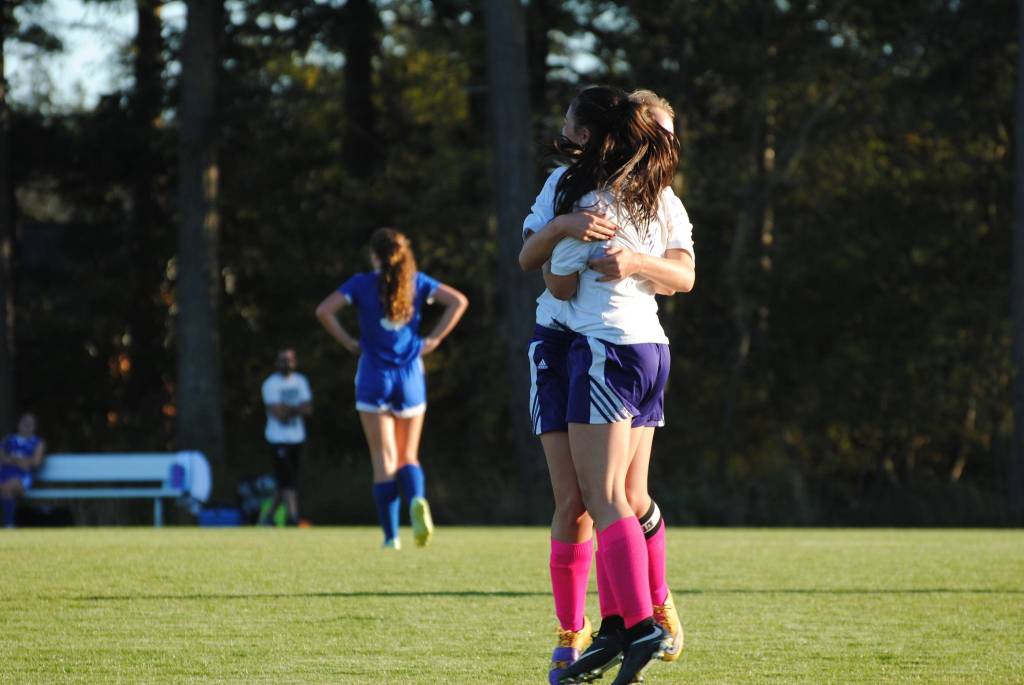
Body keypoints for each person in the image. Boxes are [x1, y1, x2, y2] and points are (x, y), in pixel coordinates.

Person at [522, 86, 695, 685]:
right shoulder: (580, 190)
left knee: (608, 498)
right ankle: (592, 633)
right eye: (664, 130)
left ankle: (635, 620)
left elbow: (678, 276)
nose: (670, 141)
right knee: (586, 502)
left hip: (603, 349)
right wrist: (565, 232)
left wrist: (623, 261)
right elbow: (549, 270)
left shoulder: (640, 199)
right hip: (597, 349)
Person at [316, 228, 467, 550]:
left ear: (374, 255)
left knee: (382, 461)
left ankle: (391, 537)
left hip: (373, 373)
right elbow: (458, 302)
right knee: (408, 455)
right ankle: (416, 499)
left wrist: (347, 341)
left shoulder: (360, 284)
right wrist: (435, 339)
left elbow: (324, 310)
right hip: (410, 374)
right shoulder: (418, 282)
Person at [260, 348, 313, 526]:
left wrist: (287, 408)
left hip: (297, 438)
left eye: (288, 360)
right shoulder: (270, 384)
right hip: (277, 438)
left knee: (287, 481)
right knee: (287, 479)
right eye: (282, 360)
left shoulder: (300, 381)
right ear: (277, 363)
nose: (285, 364)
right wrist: (295, 408)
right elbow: (277, 413)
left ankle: (269, 517)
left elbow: (308, 408)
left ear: (294, 362)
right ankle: (293, 517)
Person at [0, 413, 47, 528]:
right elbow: (1, 457)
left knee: (8, 487)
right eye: (24, 422)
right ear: (18, 424)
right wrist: (20, 460)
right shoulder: (8, 440)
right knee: (5, 487)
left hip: (23, 477)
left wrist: (10, 459)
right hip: (4, 474)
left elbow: (35, 462)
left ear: (35, 426)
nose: (26, 425)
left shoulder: (37, 442)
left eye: (30, 423)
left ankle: (8, 525)